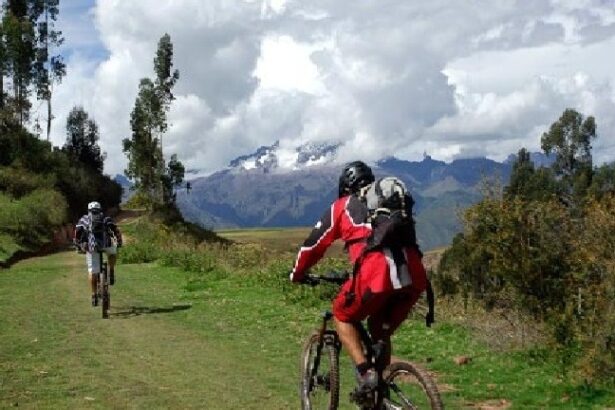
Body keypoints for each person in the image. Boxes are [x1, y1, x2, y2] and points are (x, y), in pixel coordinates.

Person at [289, 161, 427, 396]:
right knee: (378, 327)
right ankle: (378, 390)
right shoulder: (388, 207)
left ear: (345, 187)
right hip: (413, 276)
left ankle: (366, 374)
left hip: (375, 275)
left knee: (342, 315)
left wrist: (297, 274)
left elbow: (313, 245)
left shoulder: (343, 206)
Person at [74, 201, 123, 306]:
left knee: (92, 271)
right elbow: (116, 230)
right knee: (112, 254)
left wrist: (78, 245)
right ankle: (111, 271)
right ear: (100, 209)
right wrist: (119, 242)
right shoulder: (106, 218)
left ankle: (93, 295)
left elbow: (77, 233)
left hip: (92, 247)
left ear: (88, 210)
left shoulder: (84, 219)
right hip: (107, 245)